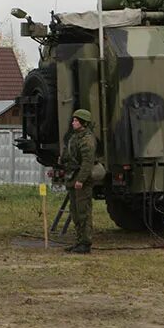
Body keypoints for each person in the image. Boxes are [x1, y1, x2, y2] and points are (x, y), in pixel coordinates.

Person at [62, 109, 97, 254]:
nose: (73, 123)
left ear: (83, 123)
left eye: (76, 121)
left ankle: (85, 243)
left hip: (81, 180)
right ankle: (79, 241)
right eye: (74, 120)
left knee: (83, 212)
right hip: (72, 177)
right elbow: (69, 153)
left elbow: (87, 163)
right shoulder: (75, 137)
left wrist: (81, 180)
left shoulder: (87, 140)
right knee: (75, 212)